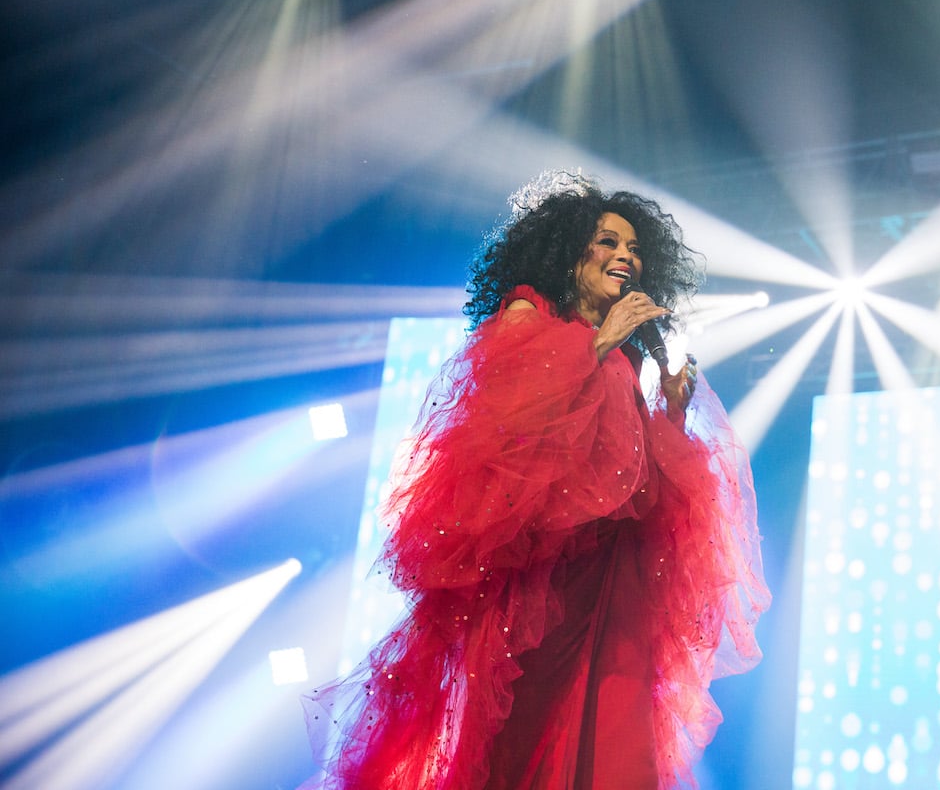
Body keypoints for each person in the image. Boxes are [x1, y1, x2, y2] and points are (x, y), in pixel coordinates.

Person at [302, 172, 769, 789]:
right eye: (608, 242)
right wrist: (598, 345)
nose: (625, 257)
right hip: (542, 586)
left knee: (618, 742)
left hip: (612, 579)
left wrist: (671, 412)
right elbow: (507, 442)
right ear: (568, 251)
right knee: (528, 739)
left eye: (633, 250)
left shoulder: (625, 354)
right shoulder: (530, 312)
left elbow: (634, 486)